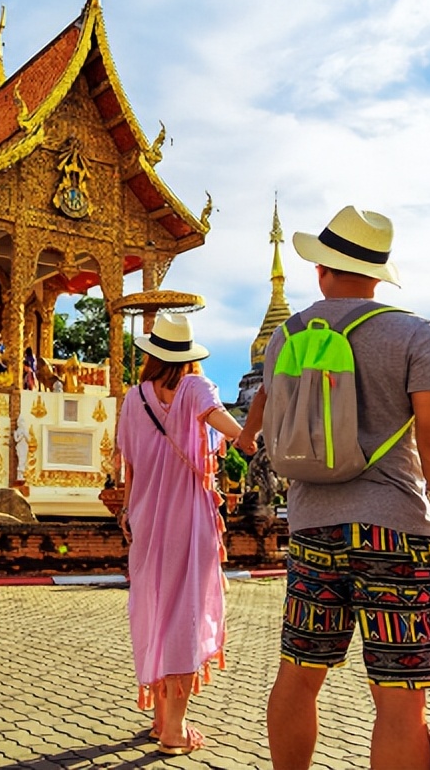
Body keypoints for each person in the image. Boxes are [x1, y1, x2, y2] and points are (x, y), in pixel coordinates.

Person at [237, 205, 430, 770]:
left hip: (313, 530)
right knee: (399, 701)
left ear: (321, 269)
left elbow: (273, 422)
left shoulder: (286, 336)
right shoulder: (414, 333)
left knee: (298, 676)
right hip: (394, 534)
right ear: (378, 274)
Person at [115, 312, 245, 756]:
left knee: (153, 611)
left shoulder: (134, 398)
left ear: (153, 355)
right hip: (188, 521)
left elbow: (130, 465)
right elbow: (230, 429)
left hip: (146, 521)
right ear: (188, 356)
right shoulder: (195, 387)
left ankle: (159, 718)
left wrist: (128, 512)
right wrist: (255, 427)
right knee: (184, 616)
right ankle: (174, 730)